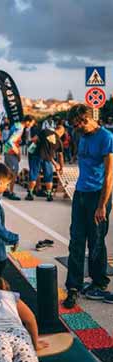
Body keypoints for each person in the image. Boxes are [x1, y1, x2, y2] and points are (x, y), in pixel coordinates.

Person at [63, 104, 113, 308]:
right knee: (76, 240)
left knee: (96, 240)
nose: (76, 129)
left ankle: (99, 283)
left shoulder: (106, 138)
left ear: (86, 119)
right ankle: (73, 286)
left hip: (98, 196)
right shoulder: (81, 136)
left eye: (78, 125)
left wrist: (102, 206)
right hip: (81, 193)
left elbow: (109, 177)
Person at [25, 122, 64, 202]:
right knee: (48, 176)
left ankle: (30, 194)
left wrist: (32, 147)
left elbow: (34, 140)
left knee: (33, 174)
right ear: (61, 132)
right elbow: (60, 156)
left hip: (36, 155)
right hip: (48, 159)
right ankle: (49, 194)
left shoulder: (45, 131)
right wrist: (61, 167)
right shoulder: (59, 141)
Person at [3, 115, 36, 200]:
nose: (31, 126)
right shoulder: (20, 128)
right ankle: (10, 192)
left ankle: (6, 190)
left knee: (8, 171)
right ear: (28, 121)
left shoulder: (16, 125)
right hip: (11, 151)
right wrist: (18, 153)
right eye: (32, 123)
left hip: (8, 151)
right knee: (14, 172)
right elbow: (11, 141)